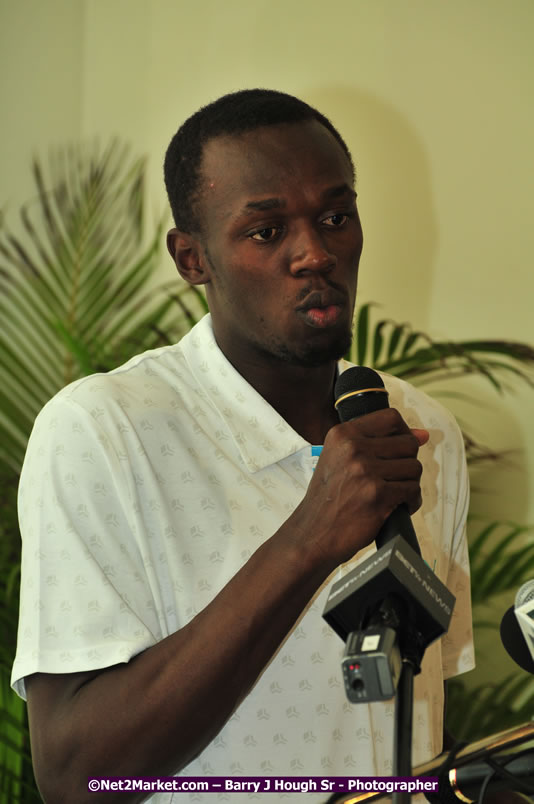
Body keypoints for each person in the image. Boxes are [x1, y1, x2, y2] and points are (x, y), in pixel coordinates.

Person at [12, 89, 479, 804]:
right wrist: (310, 537)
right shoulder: (101, 432)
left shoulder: (422, 428)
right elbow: (76, 778)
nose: (316, 254)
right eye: (266, 231)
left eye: (336, 217)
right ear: (192, 259)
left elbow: (415, 720)